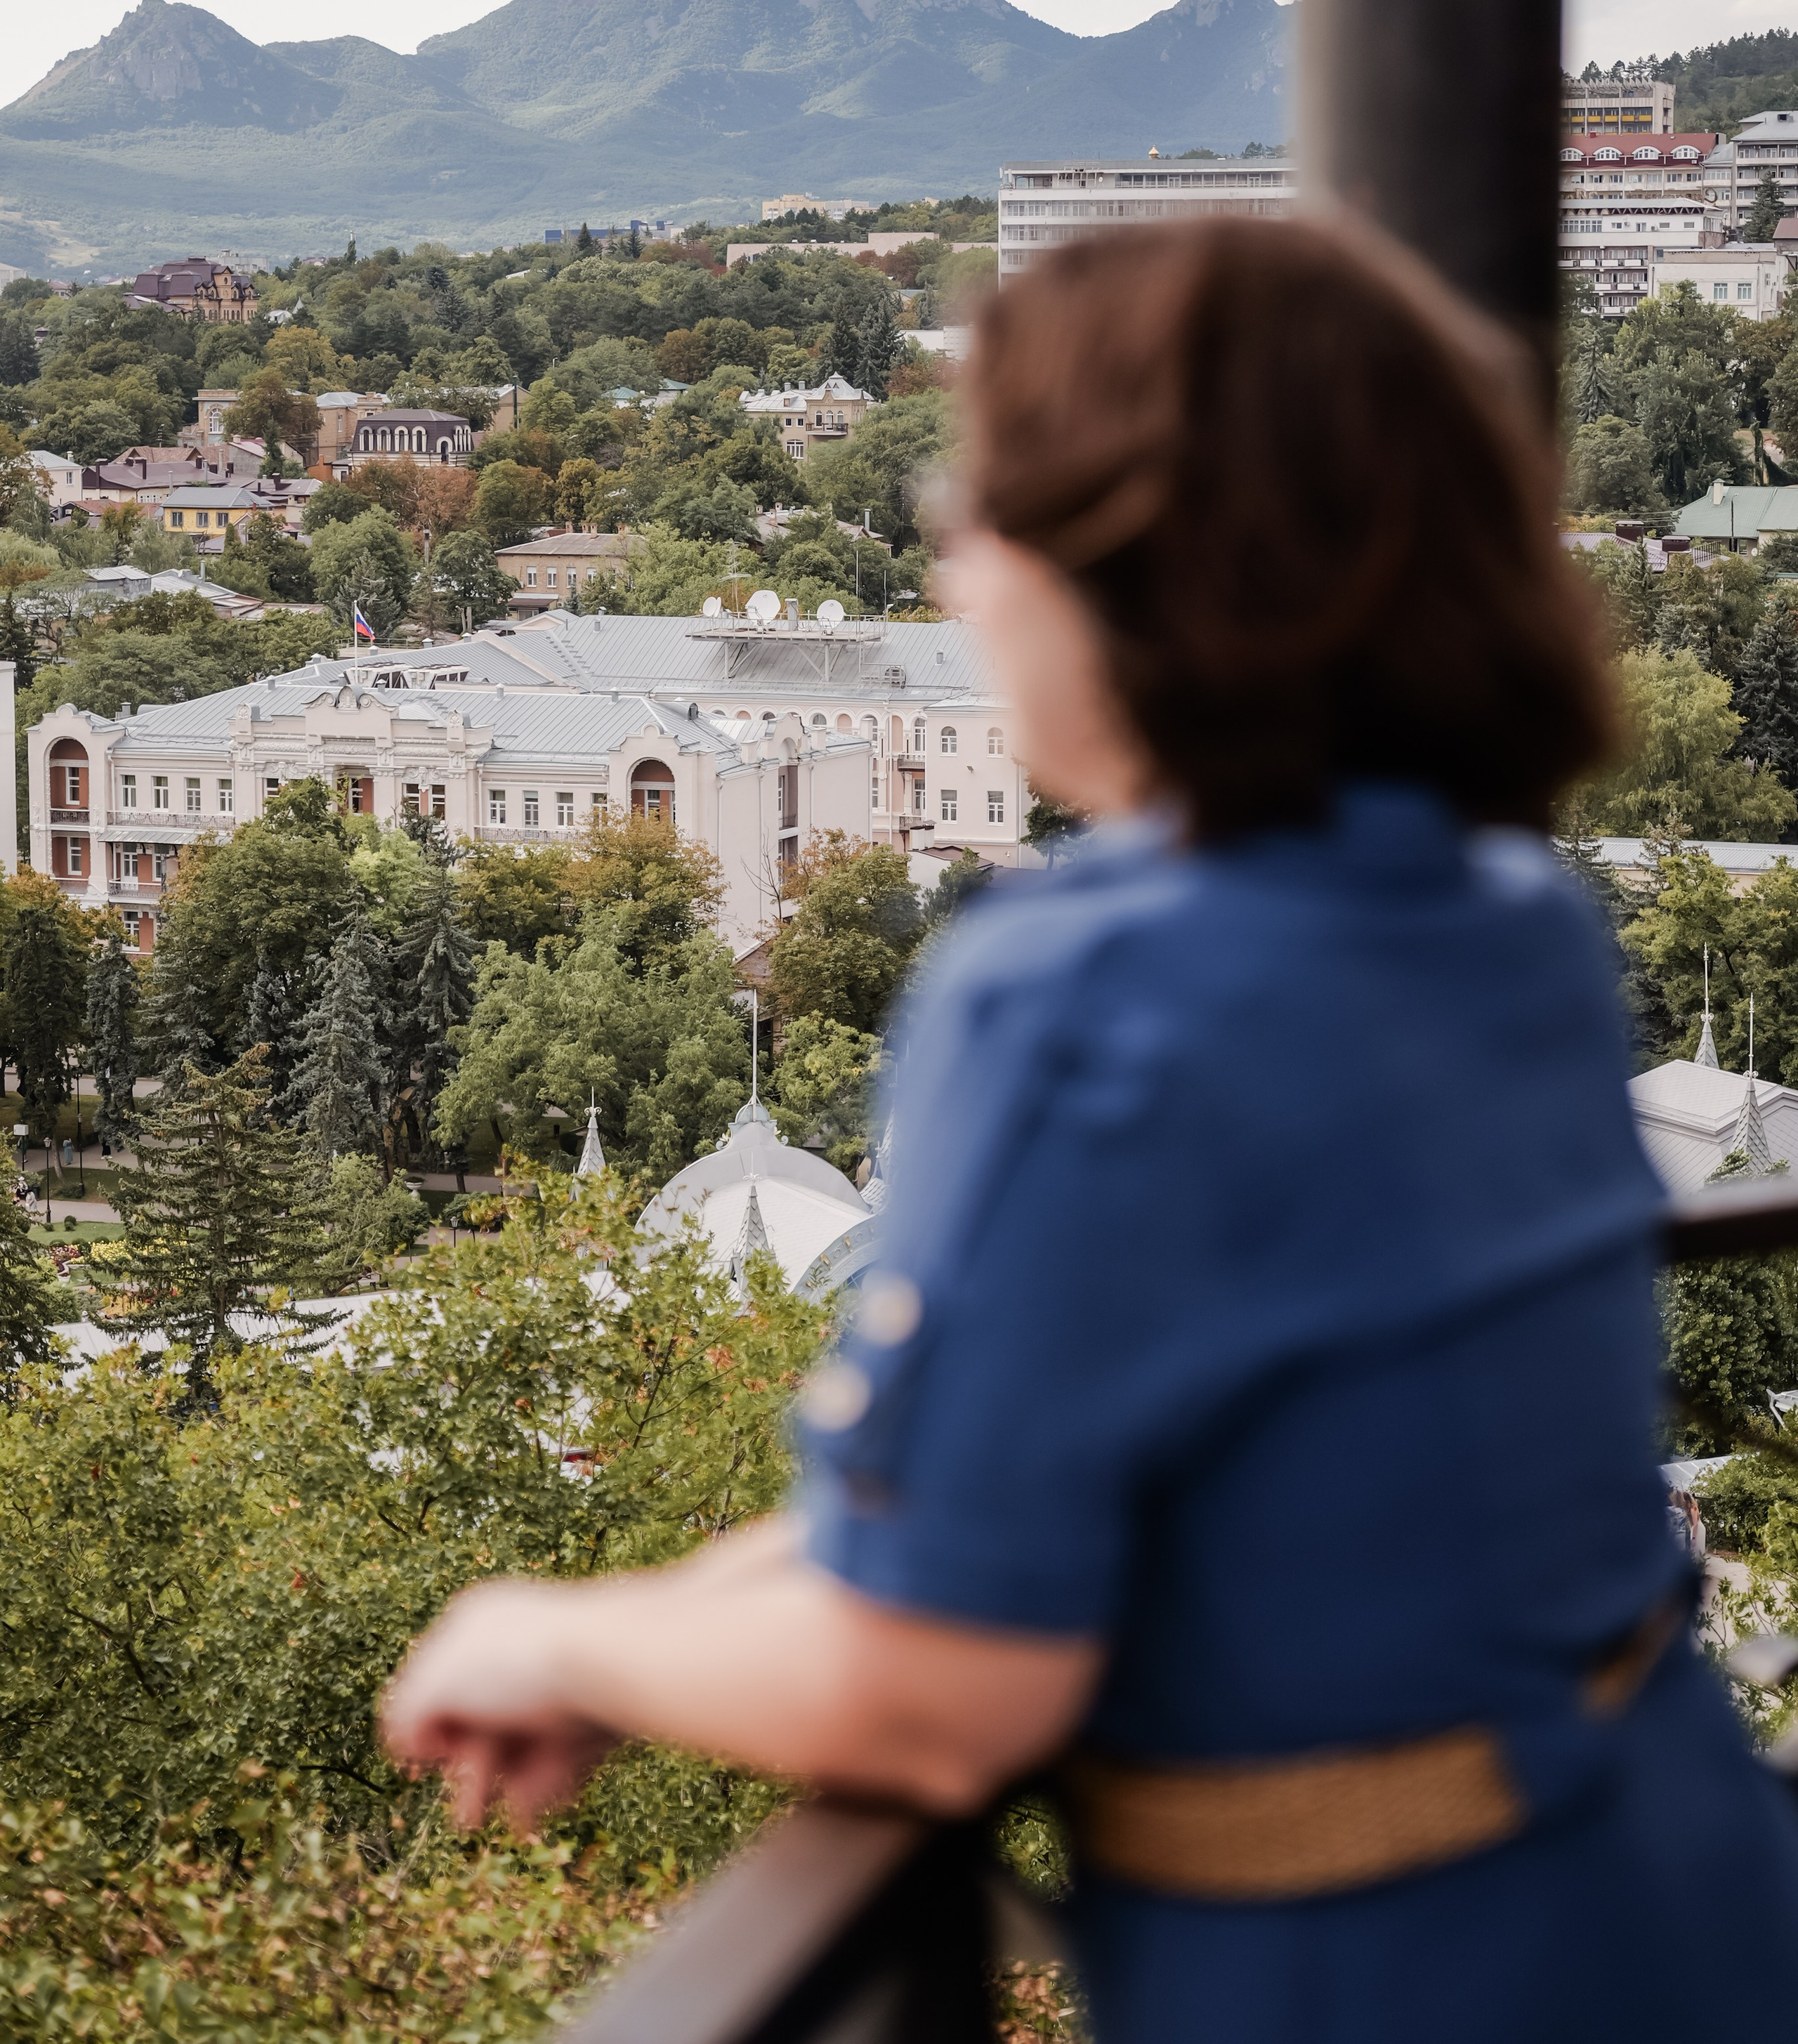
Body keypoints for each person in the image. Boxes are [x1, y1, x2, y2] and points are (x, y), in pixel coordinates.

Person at [382, 217, 1798, 2042]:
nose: (958, 569)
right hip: (1687, 1885)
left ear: (1125, 561)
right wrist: (642, 1607)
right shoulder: (1512, 919)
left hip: (1377, 1971)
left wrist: (543, 1635)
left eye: (977, 506)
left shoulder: (1086, 997)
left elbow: (935, 1684)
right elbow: (1026, 1487)